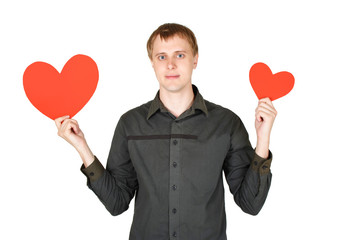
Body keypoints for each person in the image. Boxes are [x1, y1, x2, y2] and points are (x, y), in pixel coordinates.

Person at [55, 23, 277, 240]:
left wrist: (263, 137)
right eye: (162, 56)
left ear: (195, 59)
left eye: (180, 55)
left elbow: (250, 204)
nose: (170, 64)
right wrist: (82, 147)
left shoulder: (226, 123)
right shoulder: (130, 124)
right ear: (152, 62)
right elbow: (116, 203)